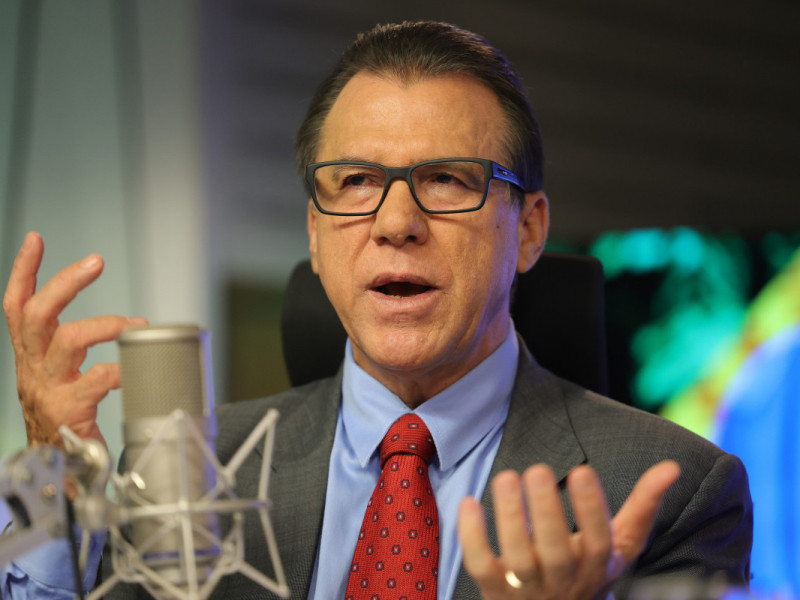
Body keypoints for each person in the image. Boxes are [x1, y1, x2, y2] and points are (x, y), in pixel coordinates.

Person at [1, 21, 751, 600]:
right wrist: (45, 476)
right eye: (356, 180)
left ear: (528, 230)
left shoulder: (675, 493)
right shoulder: (192, 468)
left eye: (448, 179)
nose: (395, 222)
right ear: (314, 234)